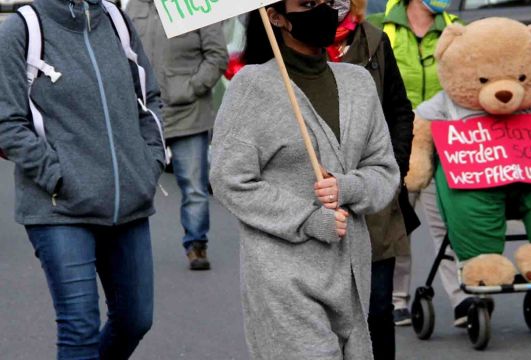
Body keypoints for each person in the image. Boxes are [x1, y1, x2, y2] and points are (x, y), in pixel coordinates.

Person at [209, 0, 400, 358]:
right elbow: (230, 179)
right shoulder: (252, 87)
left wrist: (348, 187)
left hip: (352, 274)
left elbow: (384, 169)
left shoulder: (358, 83)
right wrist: (308, 218)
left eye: (328, 2)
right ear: (276, 16)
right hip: (283, 276)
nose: (323, 11)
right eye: (308, 4)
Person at [0, 0, 165, 358]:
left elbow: (149, 97)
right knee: (79, 328)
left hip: (129, 202)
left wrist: (149, 161)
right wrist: (59, 177)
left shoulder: (116, 21)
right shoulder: (21, 29)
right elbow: (7, 123)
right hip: (59, 207)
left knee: (135, 319)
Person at [369, 0, 468, 327]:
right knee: (399, 229)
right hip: (398, 146)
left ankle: (461, 299)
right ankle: (399, 299)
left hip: (444, 147)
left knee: (447, 227)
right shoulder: (384, 27)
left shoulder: (454, 27)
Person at [327, 0, 417, 358]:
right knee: (329, 316)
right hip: (319, 202)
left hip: (375, 202)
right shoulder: (288, 46)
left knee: (377, 309)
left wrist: (392, 171)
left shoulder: (374, 40)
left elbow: (399, 111)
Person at [126, 0, 228, 270]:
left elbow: (217, 56)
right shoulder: (133, 7)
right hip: (144, 113)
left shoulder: (195, 6)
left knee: (193, 186)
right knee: (134, 186)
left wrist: (191, 88)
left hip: (189, 114)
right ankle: (129, 250)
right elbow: (120, 50)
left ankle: (196, 245)